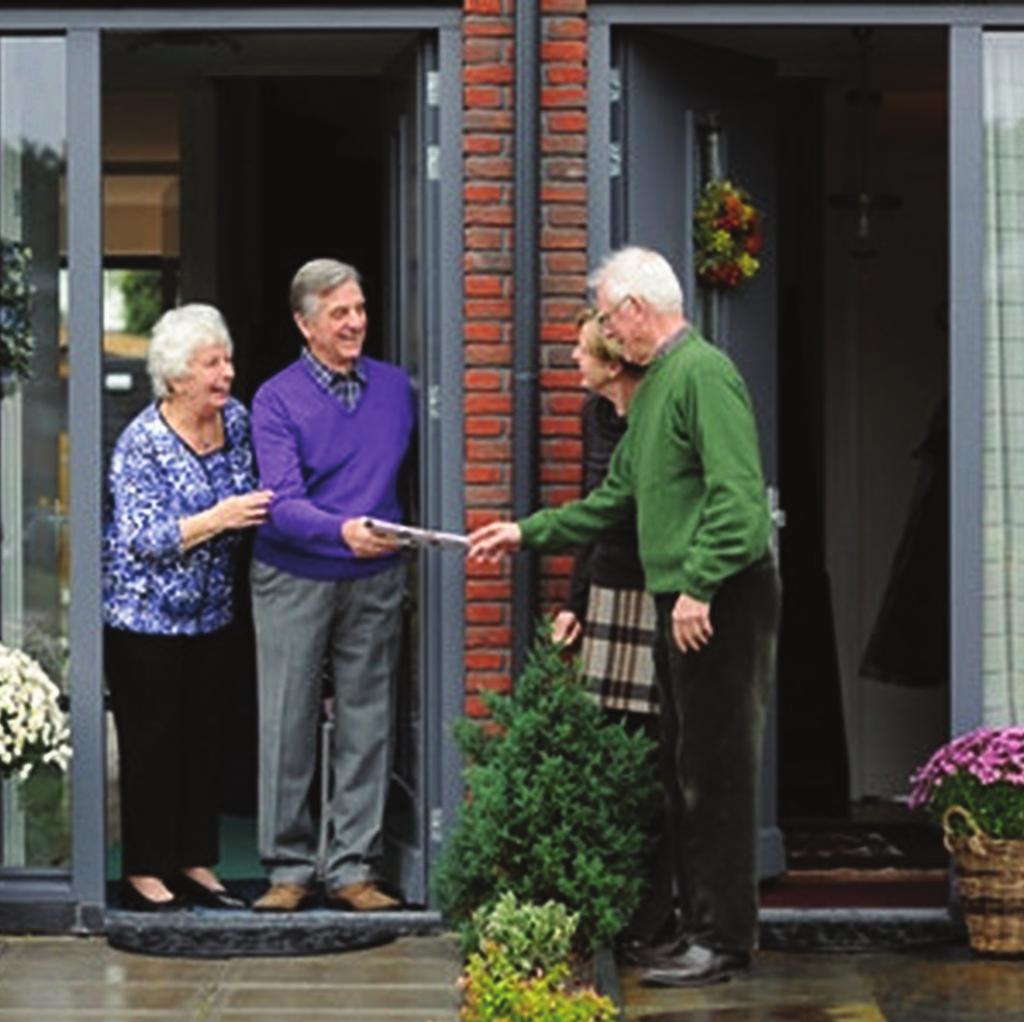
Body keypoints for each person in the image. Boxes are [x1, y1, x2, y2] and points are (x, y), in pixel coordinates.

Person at [470, 246, 781, 986]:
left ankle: (725, 941)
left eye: (610, 318)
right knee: (683, 771)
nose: (608, 334)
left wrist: (699, 587)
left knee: (718, 773)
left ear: (638, 311)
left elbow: (738, 500)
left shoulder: (703, 375)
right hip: (685, 601)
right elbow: (615, 500)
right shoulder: (660, 388)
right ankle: (698, 929)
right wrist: (526, 533)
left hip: (721, 600)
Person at [249, 258, 415, 913]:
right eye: (339, 313)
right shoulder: (276, 398)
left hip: (375, 575)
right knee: (287, 720)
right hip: (295, 572)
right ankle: (288, 868)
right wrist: (343, 530)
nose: (355, 324)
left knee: (367, 722)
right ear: (304, 323)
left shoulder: (399, 389)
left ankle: (352, 868)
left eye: (360, 310)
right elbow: (280, 502)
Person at [103, 303, 272, 912]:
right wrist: (216, 519)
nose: (225, 373)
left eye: (226, 360)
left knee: (204, 739)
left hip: (212, 614)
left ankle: (194, 860)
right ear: (176, 377)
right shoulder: (141, 443)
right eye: (211, 364)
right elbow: (141, 537)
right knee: (153, 743)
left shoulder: (241, 422)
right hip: (142, 620)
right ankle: (145, 870)